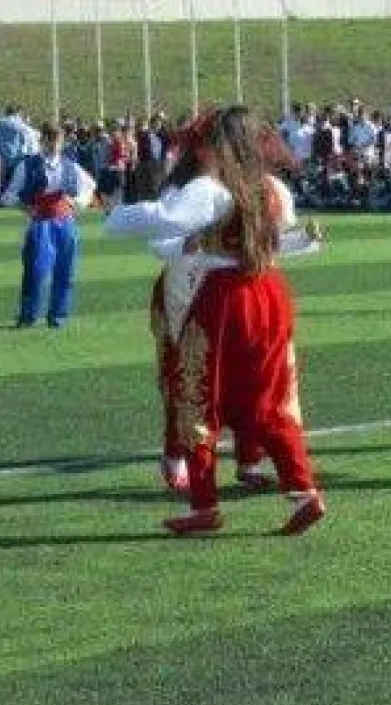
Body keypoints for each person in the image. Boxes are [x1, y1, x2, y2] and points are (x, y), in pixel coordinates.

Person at [104, 106, 326, 537]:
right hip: (270, 294)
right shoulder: (272, 188)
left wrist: (118, 215)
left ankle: (204, 502)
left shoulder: (211, 188)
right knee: (269, 398)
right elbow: (279, 241)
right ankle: (304, 491)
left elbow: (170, 220)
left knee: (198, 394)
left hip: (225, 297)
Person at [0, 124, 96, 329]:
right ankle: (28, 316)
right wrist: (25, 207)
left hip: (65, 222)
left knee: (65, 270)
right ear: (42, 140)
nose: (53, 145)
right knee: (35, 271)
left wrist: (77, 202)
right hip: (39, 222)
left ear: (62, 143)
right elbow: (9, 195)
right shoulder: (27, 165)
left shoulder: (70, 165)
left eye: (57, 140)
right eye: (49, 139)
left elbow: (90, 185)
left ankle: (58, 316)